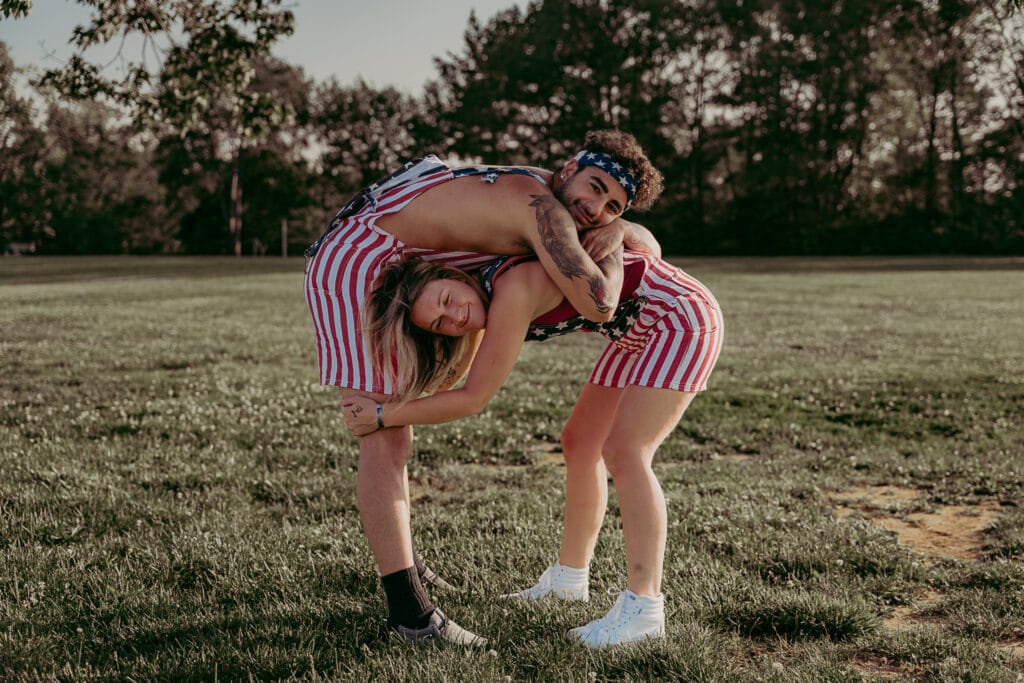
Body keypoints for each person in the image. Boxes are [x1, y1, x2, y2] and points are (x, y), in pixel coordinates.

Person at [303, 130, 664, 646]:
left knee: (396, 427)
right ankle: (412, 618)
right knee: (383, 432)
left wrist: (624, 227)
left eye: (611, 204)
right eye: (595, 187)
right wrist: (617, 237)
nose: (595, 208)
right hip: (358, 265)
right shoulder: (542, 206)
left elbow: (647, 242)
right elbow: (600, 304)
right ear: (568, 168)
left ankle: (410, 570)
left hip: (400, 258)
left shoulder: (546, 189)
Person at [342, 248, 723, 648]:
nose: (456, 317)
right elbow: (458, 376)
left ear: (454, 275)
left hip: (678, 316)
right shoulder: (485, 293)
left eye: (447, 300)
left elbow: (474, 398)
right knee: (580, 443)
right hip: (633, 330)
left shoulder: (514, 288)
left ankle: (644, 610)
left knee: (627, 450)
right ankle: (568, 580)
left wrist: (384, 415)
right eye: (441, 323)